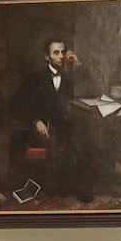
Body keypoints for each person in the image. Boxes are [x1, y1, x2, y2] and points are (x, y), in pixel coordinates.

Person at [9, 35, 99, 202]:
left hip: (64, 123)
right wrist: (35, 120)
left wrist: (78, 65)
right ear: (47, 56)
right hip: (40, 127)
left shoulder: (69, 77)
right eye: (55, 52)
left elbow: (91, 91)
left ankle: (78, 186)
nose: (60, 56)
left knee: (84, 136)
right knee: (66, 141)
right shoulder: (35, 78)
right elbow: (17, 105)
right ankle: (61, 188)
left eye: (63, 52)